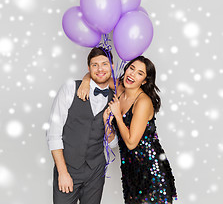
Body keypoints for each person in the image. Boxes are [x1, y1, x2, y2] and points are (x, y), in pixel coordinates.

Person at [79, 56, 177, 203]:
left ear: (144, 81)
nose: (132, 74)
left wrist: (118, 115)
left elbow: (131, 143)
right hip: (131, 171)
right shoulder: (119, 89)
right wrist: (85, 82)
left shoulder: (143, 101)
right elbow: (98, 75)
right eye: (131, 68)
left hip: (151, 172)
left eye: (140, 73)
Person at [46, 47, 118, 204]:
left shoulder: (116, 98)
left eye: (105, 64)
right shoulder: (70, 89)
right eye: (94, 65)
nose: (100, 69)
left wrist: (107, 125)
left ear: (112, 66)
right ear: (88, 68)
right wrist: (62, 172)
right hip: (68, 168)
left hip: (96, 171)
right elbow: (53, 133)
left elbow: (113, 144)